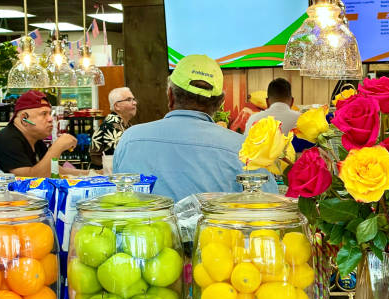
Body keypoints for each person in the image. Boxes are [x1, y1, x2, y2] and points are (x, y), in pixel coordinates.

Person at [113, 54, 279, 202]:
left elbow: (117, 201)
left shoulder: (130, 139)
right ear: (219, 103)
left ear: (170, 95)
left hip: (143, 236)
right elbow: (268, 209)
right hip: (215, 237)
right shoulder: (246, 150)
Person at [0, 90, 79, 177]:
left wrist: (89, 173)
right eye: (44, 114)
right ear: (24, 119)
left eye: (50, 114)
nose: (50, 119)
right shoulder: (8, 140)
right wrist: (57, 147)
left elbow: (52, 168)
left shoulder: (35, 140)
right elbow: (29, 180)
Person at [89, 87, 137, 169]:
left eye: (134, 99)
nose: (135, 103)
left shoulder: (125, 125)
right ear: (117, 106)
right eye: (129, 100)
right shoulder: (110, 126)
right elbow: (126, 156)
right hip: (103, 177)